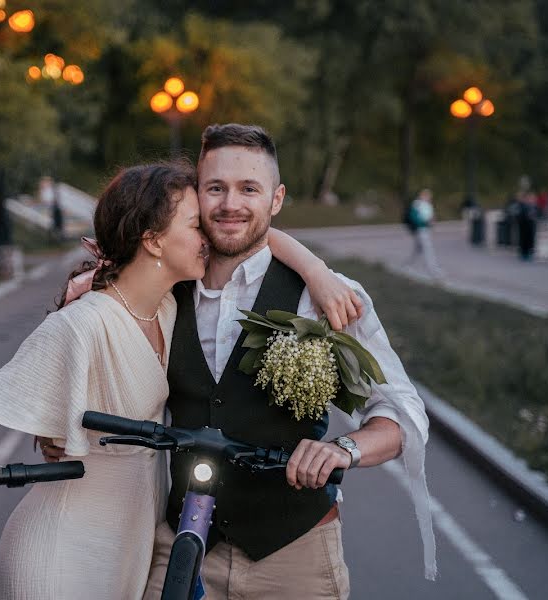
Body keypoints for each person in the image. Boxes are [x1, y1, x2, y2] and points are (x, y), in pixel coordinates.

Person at [0, 160, 361, 599]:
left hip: (130, 547)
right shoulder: (85, 321)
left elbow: (254, 232)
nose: (208, 235)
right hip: (63, 547)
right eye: (195, 224)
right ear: (153, 239)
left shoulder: (168, 307)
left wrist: (316, 271)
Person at [138, 125, 436, 599]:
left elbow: (401, 411)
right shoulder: (164, 289)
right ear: (197, 195)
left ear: (276, 200)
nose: (230, 204)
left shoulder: (325, 297)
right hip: (180, 547)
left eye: (248, 189)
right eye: (215, 188)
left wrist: (345, 449)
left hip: (296, 553)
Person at [404, 188, 444, 278]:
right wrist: (425, 222)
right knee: (428, 250)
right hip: (421, 230)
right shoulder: (417, 204)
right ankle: (433, 270)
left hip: (426, 229)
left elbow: (430, 216)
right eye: (426, 195)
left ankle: (408, 266)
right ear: (421, 195)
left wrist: (432, 222)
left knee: (418, 250)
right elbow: (414, 218)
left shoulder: (428, 205)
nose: (428, 197)